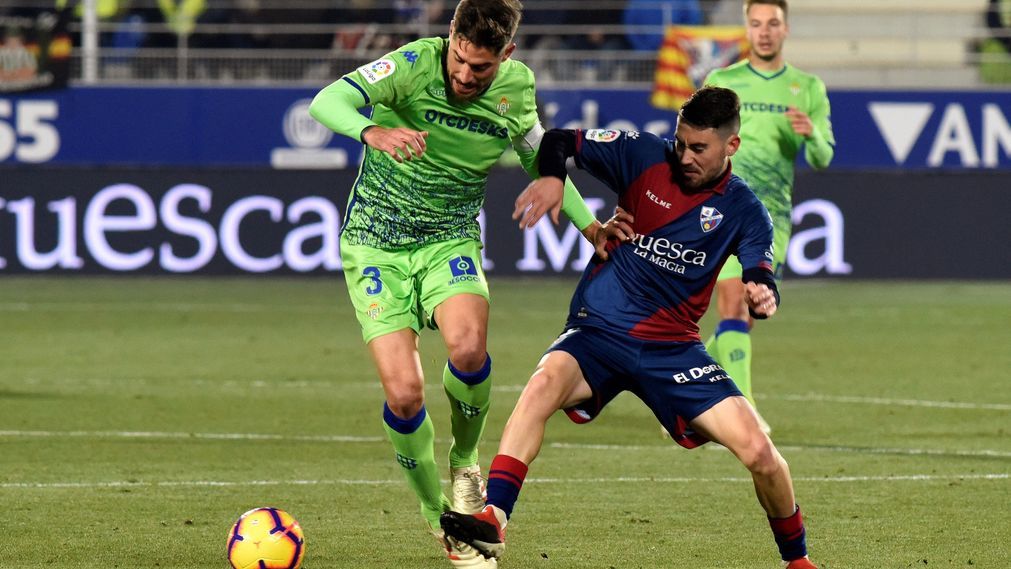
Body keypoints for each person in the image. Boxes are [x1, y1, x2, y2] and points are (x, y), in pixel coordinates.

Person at [440, 86, 819, 569]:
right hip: (599, 331)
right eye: (681, 142)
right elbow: (558, 140)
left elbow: (760, 271)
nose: (684, 155)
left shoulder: (744, 210)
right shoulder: (641, 153)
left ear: (732, 146)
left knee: (762, 455)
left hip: (673, 351)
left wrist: (763, 294)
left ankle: (798, 561)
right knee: (542, 385)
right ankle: (495, 517)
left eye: (698, 148)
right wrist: (554, 179)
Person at [307, 1, 601, 566]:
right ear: (450, 38)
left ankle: (466, 464)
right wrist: (374, 130)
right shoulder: (415, 64)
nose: (466, 77)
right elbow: (328, 100)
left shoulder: (517, 88)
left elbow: (540, 158)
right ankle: (438, 515)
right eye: (460, 62)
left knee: (468, 348)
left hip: (449, 240)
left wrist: (592, 227)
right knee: (405, 394)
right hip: (375, 242)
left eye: (481, 69)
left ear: (507, 57)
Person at [702, 0, 834, 432]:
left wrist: (811, 134)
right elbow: (694, 139)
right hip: (723, 207)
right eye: (756, 23)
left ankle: (688, 388)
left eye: (772, 23)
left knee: (744, 314)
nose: (764, 31)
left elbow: (822, 158)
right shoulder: (723, 81)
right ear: (746, 28)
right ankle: (744, 411)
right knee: (732, 302)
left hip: (772, 216)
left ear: (786, 29)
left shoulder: (807, 87)